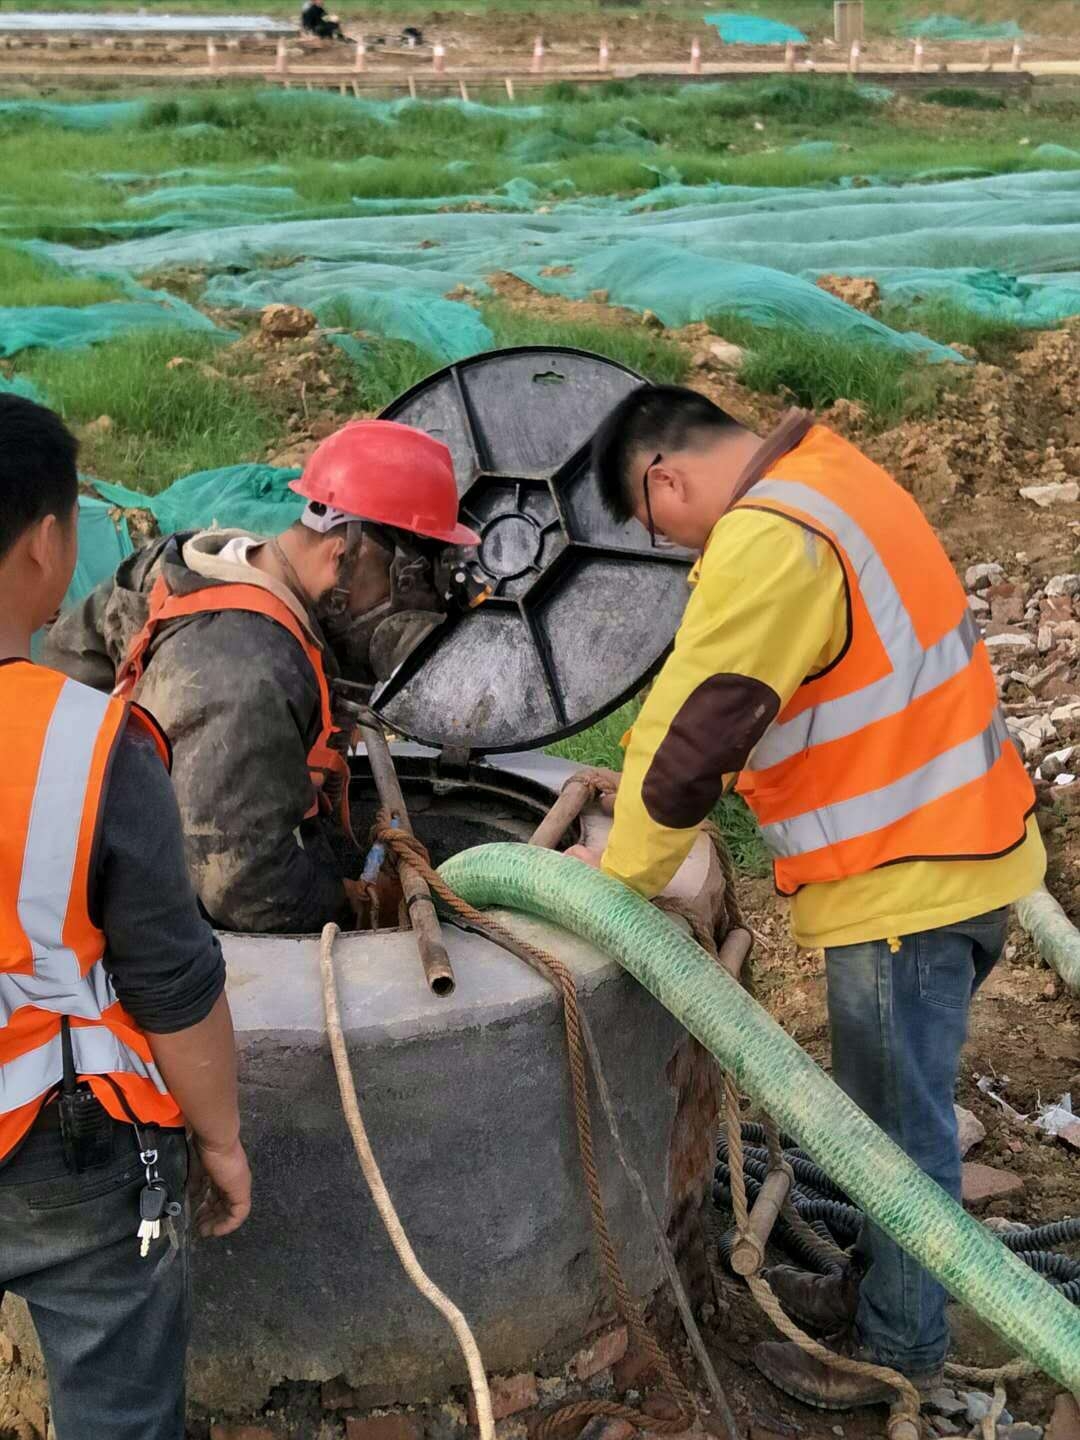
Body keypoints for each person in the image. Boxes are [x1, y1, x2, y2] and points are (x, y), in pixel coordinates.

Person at [567, 385, 1045, 1410]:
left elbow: (698, 728)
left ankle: (894, 1355)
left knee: (887, 1134)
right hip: (956, 851)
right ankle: (880, 1290)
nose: (684, 554)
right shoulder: (837, 478)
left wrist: (611, 887)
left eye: (662, 530)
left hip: (905, 882)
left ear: (665, 477)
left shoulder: (771, 533)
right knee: (888, 1112)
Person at [0, 394, 251, 1440]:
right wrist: (222, 1139)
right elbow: (172, 984)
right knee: (118, 1404)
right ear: (49, 545)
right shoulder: (85, 741)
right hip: (56, 1150)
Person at [43, 419, 480, 936]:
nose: (412, 610)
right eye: (410, 586)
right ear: (346, 551)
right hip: (83, 900)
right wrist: (361, 905)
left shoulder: (212, 565)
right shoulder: (248, 671)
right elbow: (247, 890)